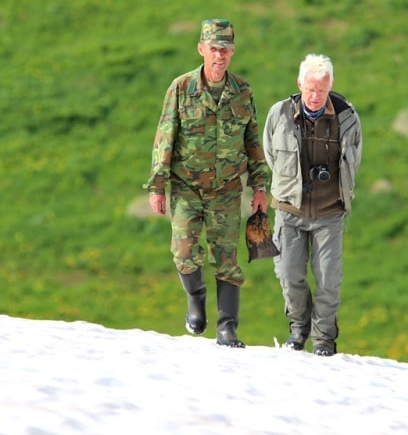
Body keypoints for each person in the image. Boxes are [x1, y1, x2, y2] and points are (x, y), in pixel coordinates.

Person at [144, 19, 269, 349]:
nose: (220, 55)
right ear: (201, 49)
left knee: (227, 259)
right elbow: (164, 137)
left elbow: (252, 139)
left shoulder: (242, 91)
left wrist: (259, 186)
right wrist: (158, 186)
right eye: (214, 48)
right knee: (184, 252)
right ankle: (195, 299)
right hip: (186, 188)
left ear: (233, 52)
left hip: (227, 190)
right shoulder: (182, 88)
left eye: (226, 49)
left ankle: (227, 327)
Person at [263, 53, 362, 356]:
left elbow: (354, 160)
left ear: (330, 86)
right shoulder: (279, 113)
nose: (316, 96)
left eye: (322, 89)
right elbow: (269, 153)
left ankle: (323, 339)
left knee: (329, 280)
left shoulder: (347, 117)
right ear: (300, 84)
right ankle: (297, 330)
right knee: (290, 276)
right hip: (289, 211)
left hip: (328, 213)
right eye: (310, 89)